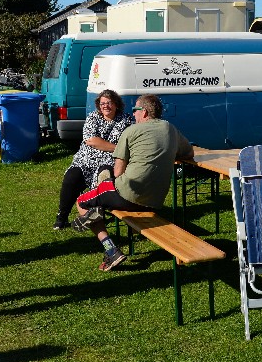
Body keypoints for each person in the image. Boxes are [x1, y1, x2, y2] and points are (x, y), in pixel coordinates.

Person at [72, 93, 194, 271]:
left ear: (144, 112)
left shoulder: (130, 131)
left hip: (128, 194)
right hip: (154, 201)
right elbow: (189, 152)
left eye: (135, 110)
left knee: (82, 201)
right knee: (102, 196)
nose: (133, 114)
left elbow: (118, 172)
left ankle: (110, 249)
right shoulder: (170, 129)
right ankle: (97, 210)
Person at [53, 89, 133, 230]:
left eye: (109, 102)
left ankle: (97, 212)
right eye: (102, 103)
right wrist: (117, 147)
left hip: (109, 161)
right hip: (86, 159)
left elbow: (129, 142)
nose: (105, 106)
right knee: (72, 177)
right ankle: (61, 217)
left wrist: (112, 148)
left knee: (105, 176)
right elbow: (91, 140)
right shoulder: (93, 117)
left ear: (116, 104)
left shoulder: (126, 119)